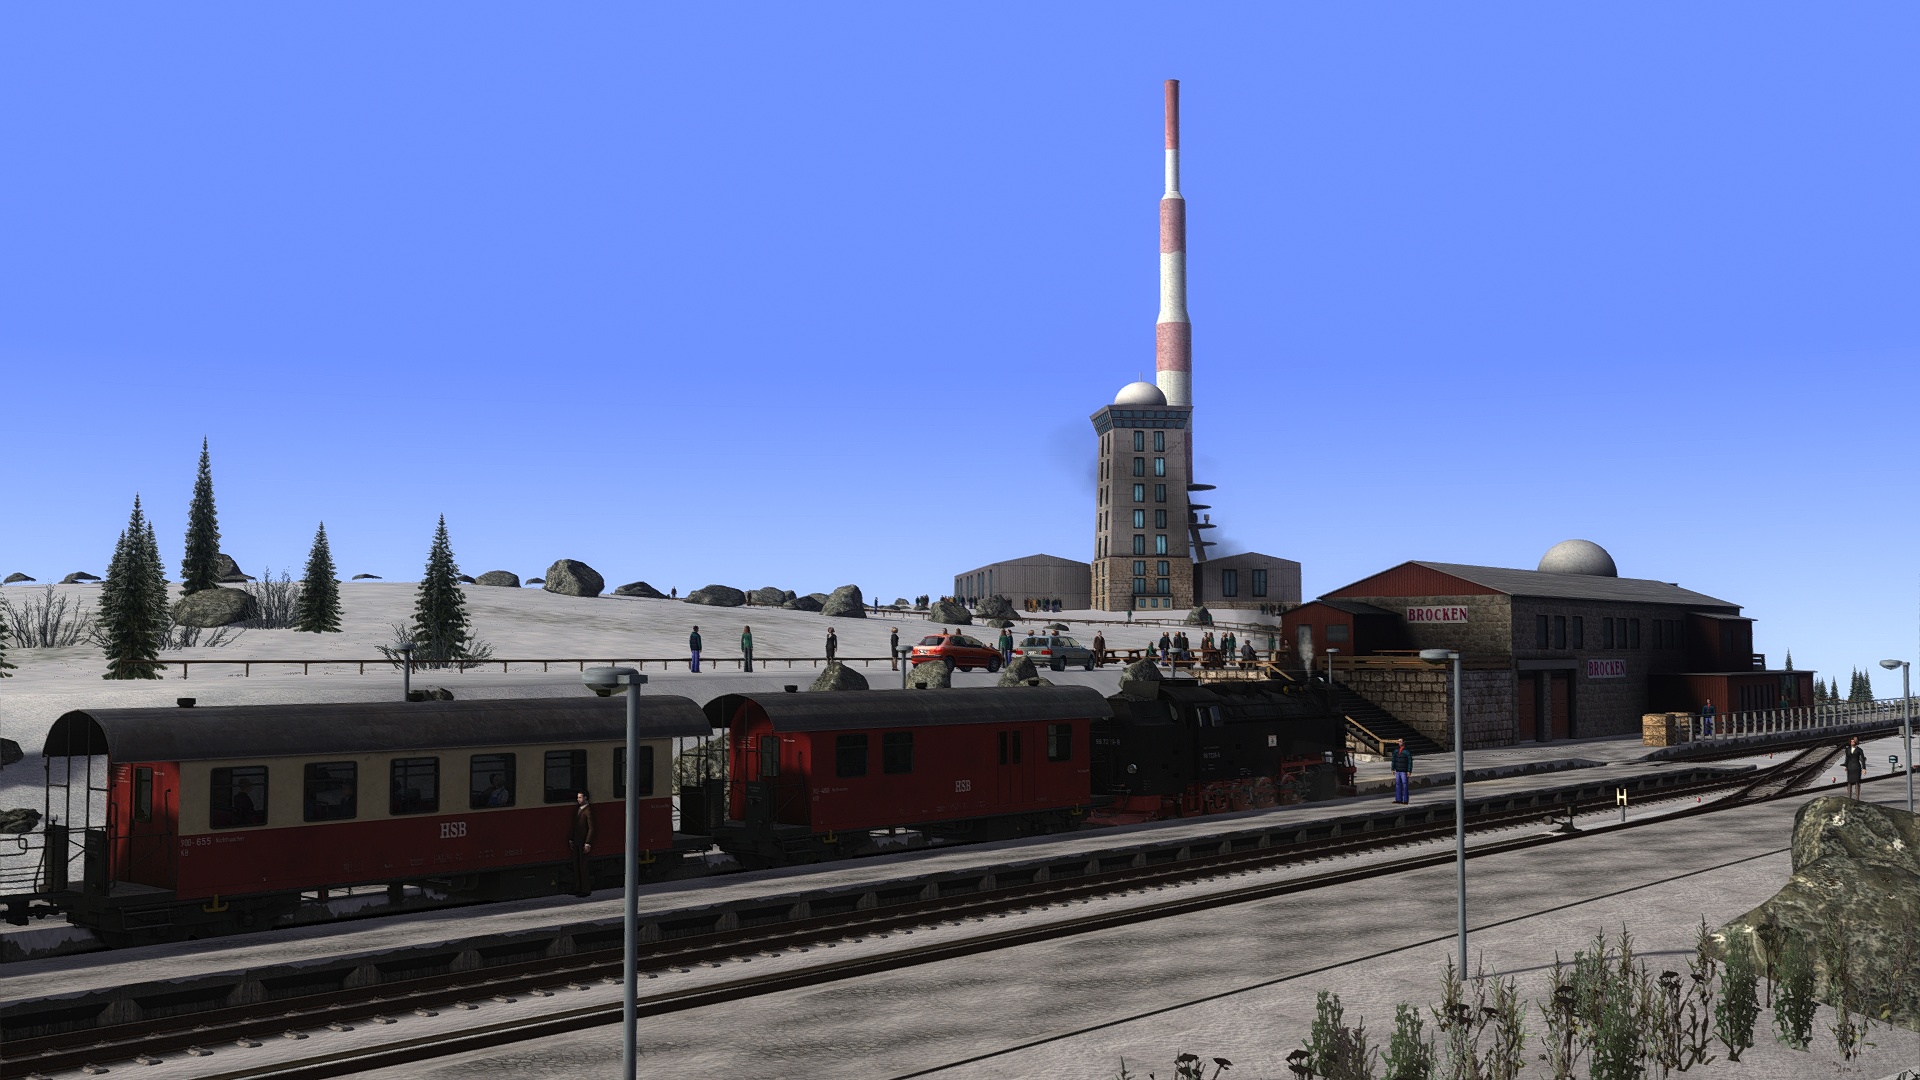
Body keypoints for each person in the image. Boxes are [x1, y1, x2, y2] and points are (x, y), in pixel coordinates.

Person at [569, 791, 596, 897]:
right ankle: (578, 888)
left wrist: (588, 843)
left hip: (583, 842)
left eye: (580, 797)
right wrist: (571, 839)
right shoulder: (579, 810)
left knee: (583, 867)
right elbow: (575, 826)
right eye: (578, 797)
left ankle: (585, 890)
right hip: (577, 841)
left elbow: (591, 828)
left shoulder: (588, 811)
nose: (578, 799)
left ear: (586, 798)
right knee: (577, 866)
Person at [1390, 739, 1413, 804]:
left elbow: (1410, 761)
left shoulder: (1407, 751)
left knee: (1405, 785)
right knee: (1398, 785)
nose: (1399, 742)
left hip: (1404, 771)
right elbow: (1393, 760)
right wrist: (1393, 769)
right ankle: (1398, 799)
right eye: (1398, 741)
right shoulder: (1396, 750)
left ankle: (1405, 800)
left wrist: (1409, 770)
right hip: (1398, 770)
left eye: (1400, 741)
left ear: (1403, 742)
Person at [1844, 735, 1867, 800]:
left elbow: (1862, 759)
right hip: (1850, 767)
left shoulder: (1859, 750)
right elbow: (1847, 758)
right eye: (1851, 741)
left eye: (1853, 741)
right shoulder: (1847, 749)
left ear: (1856, 742)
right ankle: (1849, 797)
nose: (1852, 742)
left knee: (1857, 782)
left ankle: (1857, 798)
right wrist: (1846, 766)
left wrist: (1864, 768)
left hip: (1857, 767)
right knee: (1849, 782)